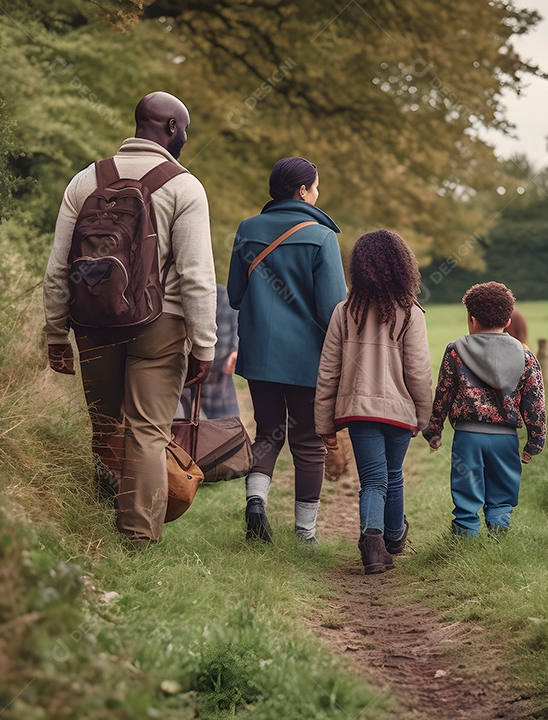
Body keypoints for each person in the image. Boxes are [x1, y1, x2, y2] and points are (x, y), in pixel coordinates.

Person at [44, 91, 217, 548]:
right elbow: (196, 274)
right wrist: (204, 345)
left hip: (93, 322)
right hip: (161, 323)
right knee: (147, 432)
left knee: (105, 425)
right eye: (185, 129)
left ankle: (93, 519)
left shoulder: (85, 180)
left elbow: (58, 266)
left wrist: (55, 332)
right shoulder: (184, 186)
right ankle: (137, 537)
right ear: (173, 130)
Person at [227, 157, 346, 544]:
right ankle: (304, 534)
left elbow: (233, 295)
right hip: (307, 361)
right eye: (316, 186)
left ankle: (256, 502)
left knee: (267, 434)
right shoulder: (321, 236)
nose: (318, 193)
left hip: (259, 357)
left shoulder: (248, 229)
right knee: (309, 444)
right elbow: (333, 311)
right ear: (302, 191)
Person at [315, 229, 432, 574]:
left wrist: (325, 423)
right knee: (392, 475)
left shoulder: (344, 312)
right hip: (398, 411)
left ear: (360, 268)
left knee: (373, 480)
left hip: (358, 412)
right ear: (403, 267)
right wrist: (421, 416)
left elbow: (328, 372)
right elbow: (418, 372)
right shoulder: (411, 314)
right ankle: (393, 538)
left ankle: (375, 544)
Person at [423, 282, 546, 537]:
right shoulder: (526, 356)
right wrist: (535, 441)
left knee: (466, 493)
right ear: (509, 320)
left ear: (471, 319)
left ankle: (464, 541)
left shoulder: (455, 351)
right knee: (502, 494)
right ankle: (499, 539)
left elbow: (443, 393)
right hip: (506, 440)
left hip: (468, 437)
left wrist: (434, 430)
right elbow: (535, 402)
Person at [178, 284, 240, 420]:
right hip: (187, 365)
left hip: (219, 365)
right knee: (182, 419)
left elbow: (237, 321)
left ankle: (227, 439)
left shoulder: (224, 293)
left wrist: (235, 350)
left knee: (225, 421)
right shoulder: (179, 293)